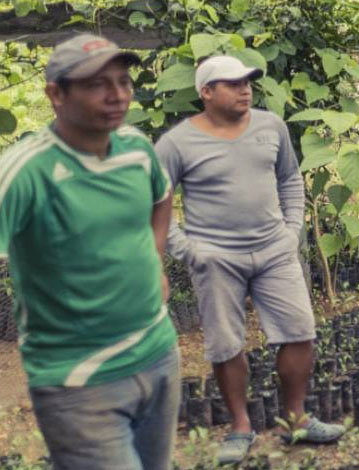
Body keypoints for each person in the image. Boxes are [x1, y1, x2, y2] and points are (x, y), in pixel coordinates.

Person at [155, 55, 345, 465]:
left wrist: (291, 230)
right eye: (233, 83)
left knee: (299, 330)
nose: (245, 89)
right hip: (216, 257)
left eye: (248, 82)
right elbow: (156, 201)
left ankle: (295, 420)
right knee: (226, 344)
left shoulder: (270, 126)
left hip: (274, 250)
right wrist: (188, 250)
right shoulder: (176, 144)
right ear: (206, 92)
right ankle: (241, 427)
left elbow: (290, 178)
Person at [0, 34, 178, 470]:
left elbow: (162, 195)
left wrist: (156, 261)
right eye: (98, 84)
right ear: (55, 94)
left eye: (123, 81)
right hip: (80, 379)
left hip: (158, 354)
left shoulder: (136, 149)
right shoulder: (27, 171)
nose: (117, 95)